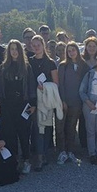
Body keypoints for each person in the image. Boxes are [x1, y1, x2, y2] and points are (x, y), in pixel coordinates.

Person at [0, 39, 37, 174]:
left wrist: (33, 104)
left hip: (23, 105)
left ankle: (26, 160)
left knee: (24, 134)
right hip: (7, 106)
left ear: (21, 51)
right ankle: (13, 160)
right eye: (12, 49)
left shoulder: (26, 66)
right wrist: (0, 104)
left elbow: (31, 86)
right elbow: (0, 88)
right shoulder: (3, 67)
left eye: (16, 49)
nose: (14, 52)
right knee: (10, 135)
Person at [29, 34, 59, 171]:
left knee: (47, 127)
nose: (36, 48)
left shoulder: (51, 63)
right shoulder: (29, 62)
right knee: (38, 128)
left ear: (43, 45)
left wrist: (45, 87)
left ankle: (45, 154)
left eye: (38, 45)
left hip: (47, 99)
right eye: (33, 45)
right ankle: (39, 157)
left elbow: (56, 83)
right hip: (34, 99)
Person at [56, 41, 89, 165]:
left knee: (71, 127)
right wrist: (62, 100)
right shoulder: (62, 65)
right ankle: (62, 152)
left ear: (77, 51)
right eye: (69, 51)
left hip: (77, 102)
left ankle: (70, 151)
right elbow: (61, 84)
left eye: (73, 50)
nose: (71, 53)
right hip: (64, 101)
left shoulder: (83, 65)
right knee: (60, 127)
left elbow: (86, 84)